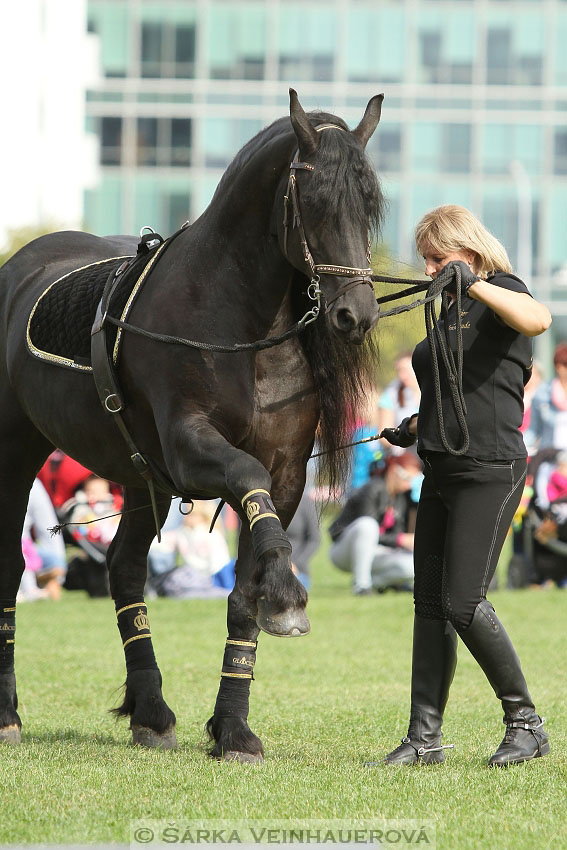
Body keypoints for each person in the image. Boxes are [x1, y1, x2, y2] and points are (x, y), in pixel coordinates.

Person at [372, 204, 552, 768]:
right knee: (429, 606)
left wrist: (475, 285)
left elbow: (538, 319)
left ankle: (526, 722)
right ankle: (424, 739)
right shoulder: (446, 308)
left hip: (491, 470)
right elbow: (454, 386)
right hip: (442, 469)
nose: (429, 270)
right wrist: (414, 426)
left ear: (468, 251)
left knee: (463, 602)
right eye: (425, 260)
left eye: (437, 258)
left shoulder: (501, 292)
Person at [329, 452, 422, 595]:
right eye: (406, 478)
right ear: (393, 470)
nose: (408, 484)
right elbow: (368, 534)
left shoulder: (402, 498)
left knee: (413, 566)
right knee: (368, 525)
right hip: (344, 551)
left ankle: (381, 582)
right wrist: (400, 539)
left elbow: (396, 533)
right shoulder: (372, 488)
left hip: (377, 552)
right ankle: (361, 585)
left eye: (413, 480)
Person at [19, 478, 68, 602]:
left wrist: (58, 577)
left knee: (54, 561)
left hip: (24, 549)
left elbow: (49, 528)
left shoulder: (32, 484)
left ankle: (32, 585)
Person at [524, 342, 567, 453]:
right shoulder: (542, 393)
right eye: (566, 364)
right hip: (550, 459)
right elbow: (533, 432)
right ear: (558, 367)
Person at [378, 353, 420, 456]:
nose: (402, 375)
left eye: (405, 370)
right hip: (402, 454)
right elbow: (384, 434)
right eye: (399, 371)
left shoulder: (434, 391)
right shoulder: (390, 395)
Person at [286, 489, 321, 590]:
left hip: (296, 570)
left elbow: (314, 540)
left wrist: (295, 563)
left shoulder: (305, 503)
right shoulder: (261, 502)